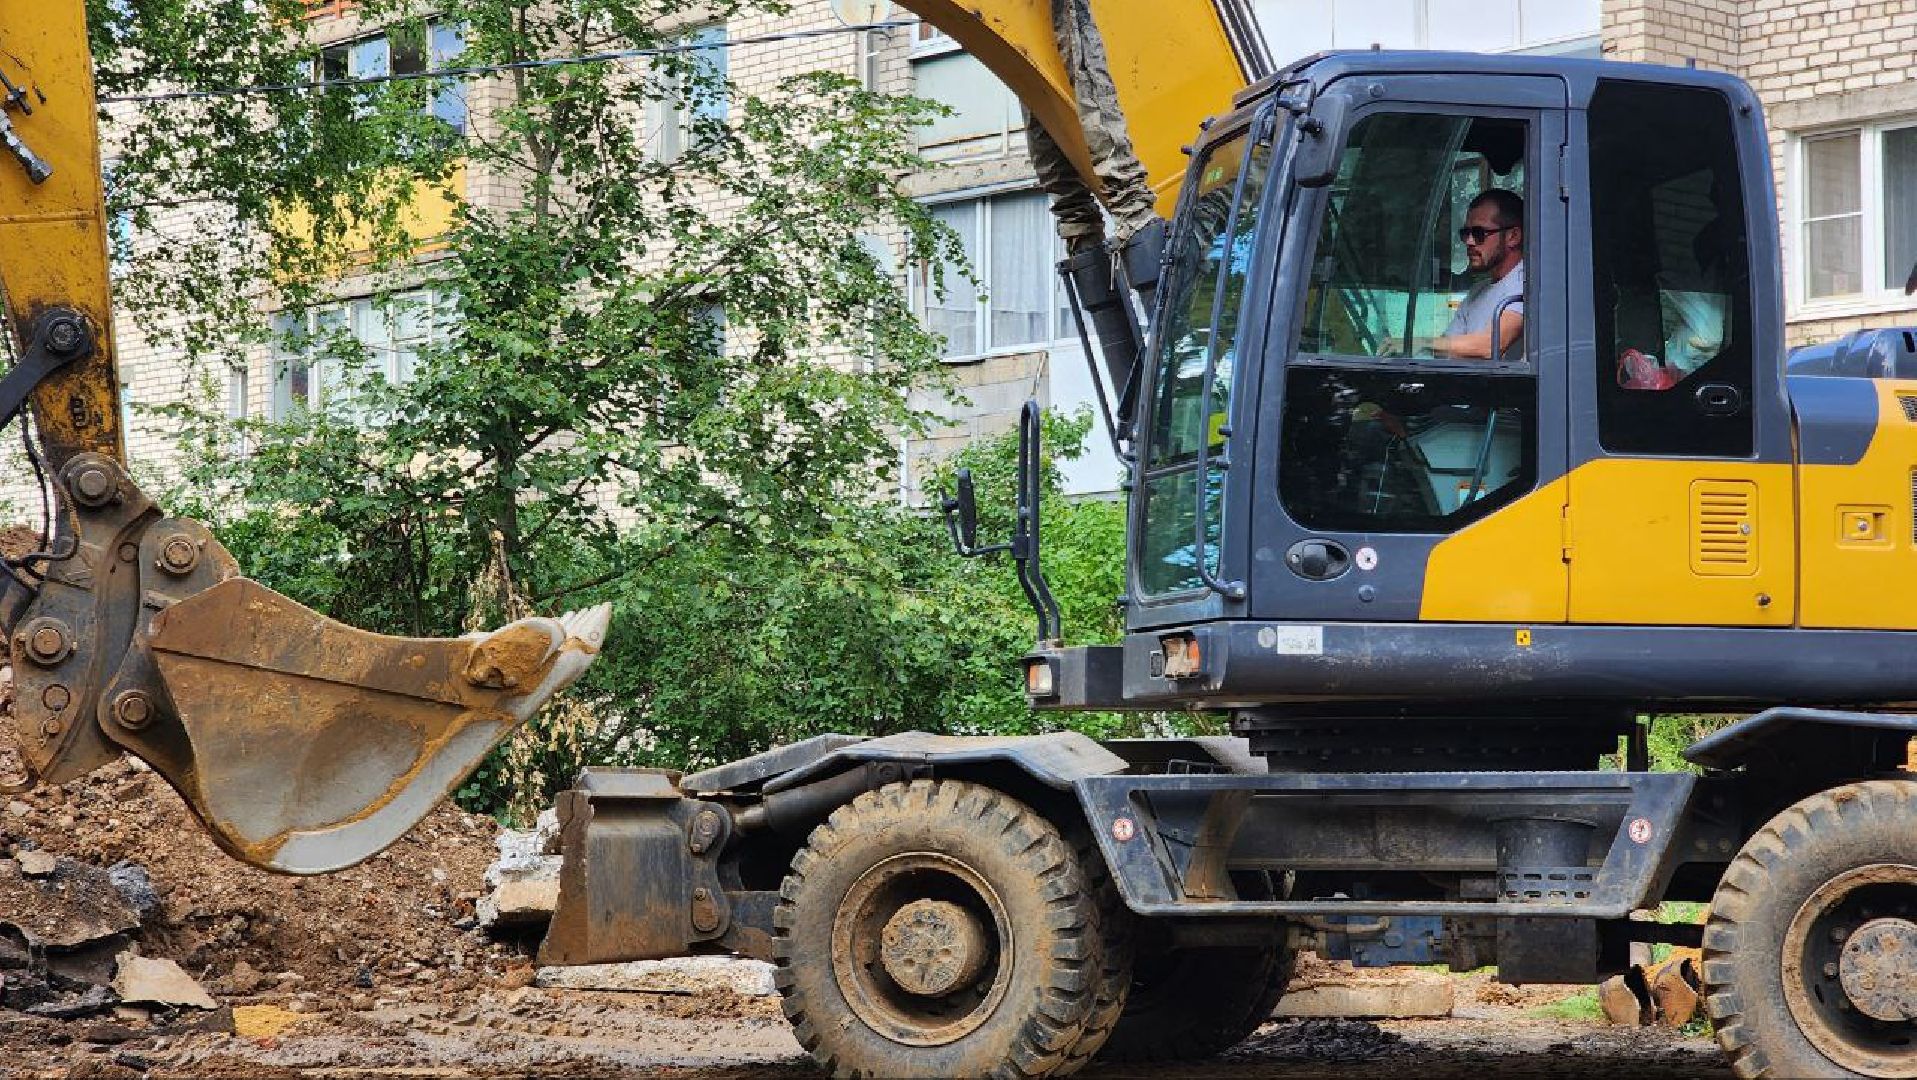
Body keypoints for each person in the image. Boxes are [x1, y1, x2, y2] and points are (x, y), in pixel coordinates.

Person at [1424, 189, 1525, 360]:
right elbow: (1446, 348)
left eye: (1479, 234)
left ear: (1513, 236)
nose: (1469, 242)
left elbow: (1490, 345)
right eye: (1466, 234)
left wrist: (1419, 342)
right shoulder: (1477, 292)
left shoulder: (1528, 283)